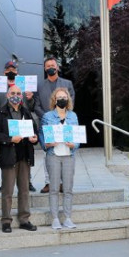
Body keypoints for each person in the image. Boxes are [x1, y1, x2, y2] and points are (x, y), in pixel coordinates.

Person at [0, 84, 39, 233]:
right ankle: (6, 221)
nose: (15, 95)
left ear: (21, 96)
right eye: (13, 93)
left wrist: (34, 137)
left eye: (18, 93)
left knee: (24, 190)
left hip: (24, 156)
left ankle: (24, 219)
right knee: (7, 191)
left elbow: (34, 129)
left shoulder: (26, 112)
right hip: (9, 156)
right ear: (7, 95)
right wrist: (10, 139)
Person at [0, 60, 38, 192]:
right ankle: (5, 181)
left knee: (24, 152)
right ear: (4, 72)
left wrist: (30, 98)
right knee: (6, 153)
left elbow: (32, 107)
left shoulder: (24, 85)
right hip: (5, 123)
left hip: (22, 120)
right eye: (8, 69)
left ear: (17, 71)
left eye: (13, 69)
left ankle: (28, 181)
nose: (11, 71)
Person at [40, 87, 80, 230]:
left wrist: (74, 144)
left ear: (68, 99)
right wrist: (47, 144)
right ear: (54, 100)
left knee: (68, 189)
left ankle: (68, 218)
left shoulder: (73, 116)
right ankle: (55, 218)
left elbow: (78, 138)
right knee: (54, 188)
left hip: (69, 156)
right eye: (59, 97)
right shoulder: (47, 116)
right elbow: (42, 136)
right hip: (54, 156)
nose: (62, 100)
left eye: (64, 97)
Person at [35, 57, 76, 194]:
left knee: (66, 151)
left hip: (65, 123)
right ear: (45, 68)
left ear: (57, 67)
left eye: (53, 65)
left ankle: (64, 183)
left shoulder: (67, 83)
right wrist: (49, 118)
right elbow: (37, 106)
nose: (50, 67)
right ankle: (49, 182)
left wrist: (59, 116)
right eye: (48, 66)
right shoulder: (40, 85)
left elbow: (71, 102)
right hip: (47, 125)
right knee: (49, 153)